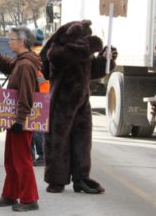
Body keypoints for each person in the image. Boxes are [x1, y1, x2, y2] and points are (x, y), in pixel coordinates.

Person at [40, 20, 117, 194]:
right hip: (61, 102)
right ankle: (56, 180)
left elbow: (94, 71)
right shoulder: (58, 51)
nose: (86, 40)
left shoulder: (83, 54)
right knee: (58, 142)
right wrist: (90, 45)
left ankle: (81, 177)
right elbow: (59, 58)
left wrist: (106, 60)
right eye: (84, 37)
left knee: (82, 141)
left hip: (82, 103)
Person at [0, 26, 40, 212]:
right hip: (15, 118)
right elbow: (9, 67)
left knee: (22, 159)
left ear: (22, 42)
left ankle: (29, 199)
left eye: (12, 39)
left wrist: (20, 119)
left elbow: (27, 94)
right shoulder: (21, 60)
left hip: (20, 119)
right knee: (11, 158)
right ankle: (10, 194)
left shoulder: (26, 65)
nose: (9, 41)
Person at [31, 28, 47, 166]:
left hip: (35, 95)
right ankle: (42, 155)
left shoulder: (32, 55)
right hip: (45, 95)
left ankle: (39, 155)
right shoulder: (46, 53)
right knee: (38, 126)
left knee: (33, 127)